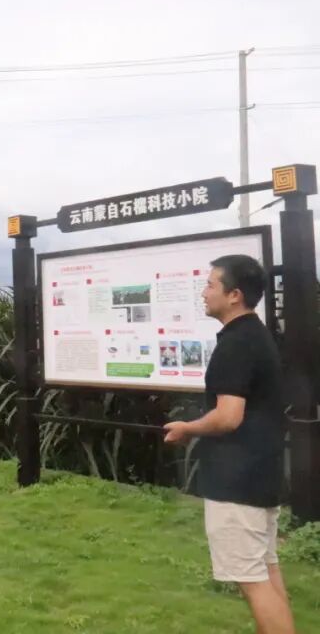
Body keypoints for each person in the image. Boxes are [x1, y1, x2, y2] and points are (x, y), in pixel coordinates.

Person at [164, 255, 294, 634]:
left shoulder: (236, 345)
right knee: (265, 571)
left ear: (234, 294)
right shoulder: (256, 335)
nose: (203, 293)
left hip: (238, 483)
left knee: (252, 581)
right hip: (260, 475)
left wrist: (187, 428)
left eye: (210, 285)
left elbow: (228, 416)